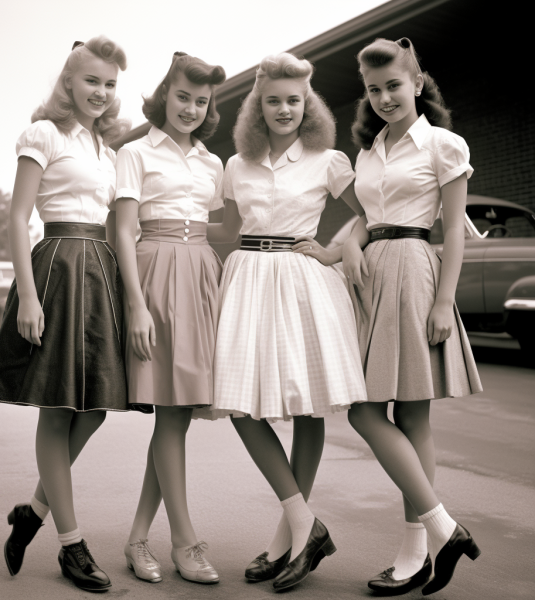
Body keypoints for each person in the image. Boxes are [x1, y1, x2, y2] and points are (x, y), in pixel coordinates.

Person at [198, 52, 367, 591]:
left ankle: (287, 539)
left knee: (307, 407)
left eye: (294, 100)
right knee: (241, 405)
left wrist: (336, 251)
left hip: (301, 279)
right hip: (247, 277)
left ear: (308, 102)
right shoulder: (235, 165)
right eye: (274, 100)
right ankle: (304, 524)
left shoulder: (329, 160)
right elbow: (217, 228)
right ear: (258, 104)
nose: (285, 109)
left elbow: (374, 210)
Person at [0, 37, 130, 593]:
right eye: (92, 81)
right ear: (69, 82)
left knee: (96, 408)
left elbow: (115, 222)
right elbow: (19, 218)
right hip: (57, 267)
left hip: (98, 273)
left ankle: (32, 514)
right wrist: (30, 296)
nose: (101, 93)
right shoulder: (44, 134)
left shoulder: (106, 151)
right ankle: (71, 544)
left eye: (110, 85)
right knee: (59, 408)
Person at [342, 37, 483, 596]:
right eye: (373, 90)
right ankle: (439, 535)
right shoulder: (368, 151)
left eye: (393, 86)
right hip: (374, 276)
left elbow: (452, 230)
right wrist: (352, 242)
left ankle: (419, 546)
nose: (383, 97)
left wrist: (445, 300)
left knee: (394, 415)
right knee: (373, 410)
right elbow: (365, 216)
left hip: (417, 273)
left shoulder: (444, 145)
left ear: (417, 83)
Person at [113, 52, 226, 585]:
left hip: (201, 273)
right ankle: (185, 542)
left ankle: (139, 539)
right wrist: (136, 304)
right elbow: (122, 230)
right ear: (165, 95)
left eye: (201, 102)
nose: (191, 108)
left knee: (176, 415)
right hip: (154, 274)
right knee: (171, 411)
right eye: (183, 97)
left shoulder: (213, 164)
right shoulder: (135, 153)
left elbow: (225, 223)